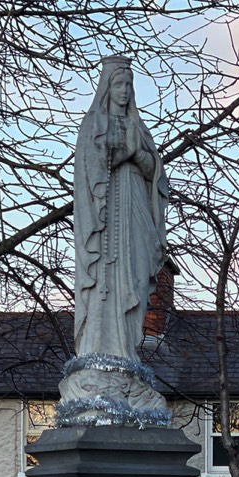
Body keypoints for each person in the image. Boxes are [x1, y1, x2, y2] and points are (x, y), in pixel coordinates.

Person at [72, 56, 169, 361]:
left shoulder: (138, 127)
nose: (125, 91)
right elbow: (90, 169)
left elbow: (156, 174)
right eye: (118, 85)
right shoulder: (93, 125)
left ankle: (128, 352)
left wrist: (138, 156)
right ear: (107, 88)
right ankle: (99, 351)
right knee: (105, 282)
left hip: (136, 208)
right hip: (104, 215)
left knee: (138, 277)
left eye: (129, 85)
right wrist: (124, 154)